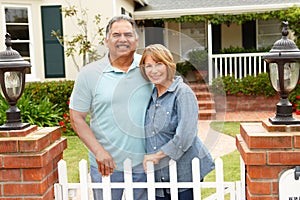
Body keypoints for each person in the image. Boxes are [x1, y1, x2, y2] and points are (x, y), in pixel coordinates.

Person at [69, 15, 152, 200]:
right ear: (107, 40)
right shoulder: (89, 74)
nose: (123, 39)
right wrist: (99, 152)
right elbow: (76, 117)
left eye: (128, 35)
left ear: (136, 40)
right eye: (116, 35)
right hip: (105, 165)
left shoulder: (149, 68)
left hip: (145, 164)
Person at [140, 44, 215, 200]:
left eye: (158, 64)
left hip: (185, 171)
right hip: (160, 174)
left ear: (168, 65)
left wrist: (156, 156)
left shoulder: (183, 92)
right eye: (148, 66)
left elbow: (185, 135)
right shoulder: (150, 95)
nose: (154, 70)